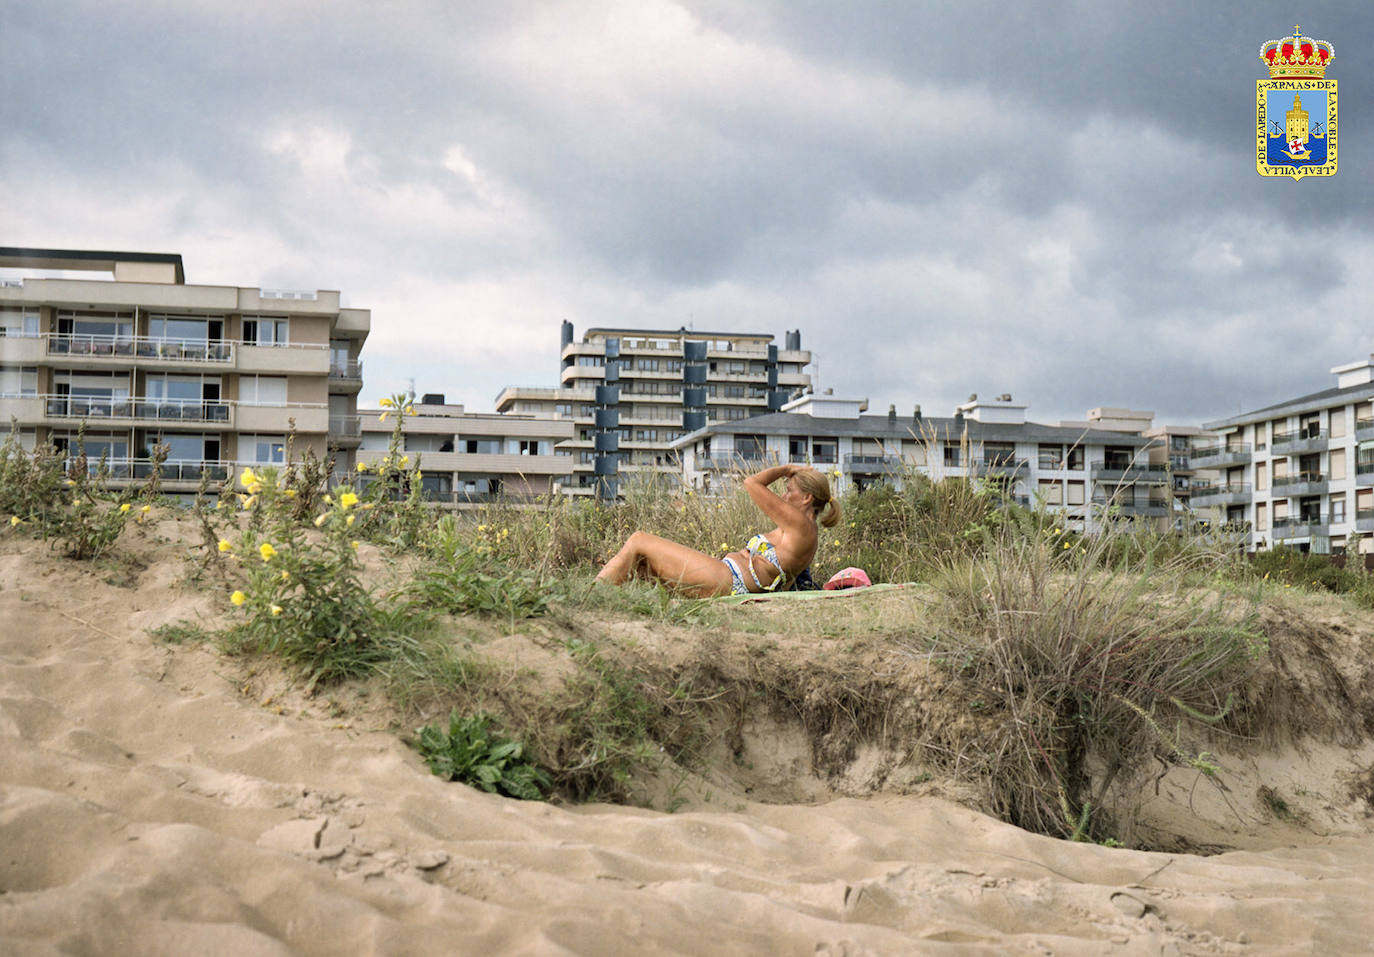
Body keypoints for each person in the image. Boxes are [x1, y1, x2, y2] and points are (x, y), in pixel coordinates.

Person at [596, 464, 841, 598]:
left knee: (639, 541)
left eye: (789, 489)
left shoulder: (800, 525)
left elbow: (751, 483)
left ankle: (592, 598)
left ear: (807, 497)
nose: (784, 495)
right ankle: (601, 603)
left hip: (729, 581)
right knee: (641, 564)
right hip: (727, 577)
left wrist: (785, 468)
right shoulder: (802, 530)